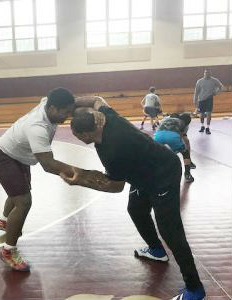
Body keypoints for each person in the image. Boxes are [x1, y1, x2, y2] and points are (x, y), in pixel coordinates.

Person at [61, 98, 206, 300]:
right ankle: (156, 250)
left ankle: (195, 289)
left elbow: (115, 186)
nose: (77, 138)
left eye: (77, 135)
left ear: (88, 133)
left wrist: (81, 179)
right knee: (136, 209)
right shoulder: (107, 117)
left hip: (163, 174)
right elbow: (96, 99)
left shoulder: (113, 150)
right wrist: (71, 105)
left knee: (170, 231)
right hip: (142, 173)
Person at [0, 87, 103, 272]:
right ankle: (8, 251)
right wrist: (82, 173)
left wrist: (98, 107)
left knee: (19, 190)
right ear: (52, 109)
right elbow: (48, 164)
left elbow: (83, 101)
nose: (68, 116)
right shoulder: (37, 127)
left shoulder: (48, 102)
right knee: (24, 201)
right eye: (65, 112)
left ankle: (3, 221)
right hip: (3, 156)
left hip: (19, 156)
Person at [154, 113, 195, 183]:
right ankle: (187, 174)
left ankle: (155, 174)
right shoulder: (182, 123)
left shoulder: (165, 120)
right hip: (172, 137)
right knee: (185, 153)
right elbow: (184, 138)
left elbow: (158, 128)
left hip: (157, 136)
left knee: (158, 155)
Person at [193, 69, 224, 135]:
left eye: (208, 72)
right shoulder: (199, 81)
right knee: (201, 115)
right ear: (204, 73)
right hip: (201, 100)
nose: (206, 74)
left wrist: (216, 92)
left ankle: (207, 128)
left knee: (209, 114)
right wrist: (195, 100)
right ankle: (202, 126)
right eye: (205, 72)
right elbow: (196, 92)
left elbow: (221, 87)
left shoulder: (214, 80)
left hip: (209, 99)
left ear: (210, 73)